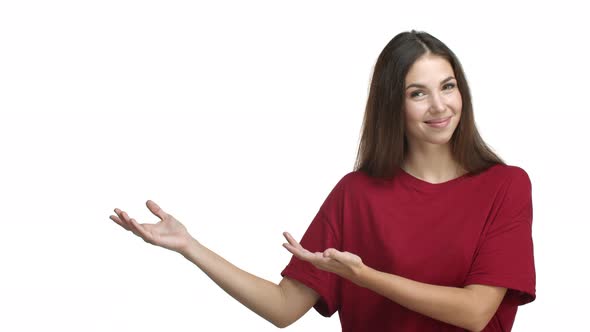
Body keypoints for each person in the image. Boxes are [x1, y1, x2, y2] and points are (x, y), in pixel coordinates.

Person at [109, 30, 536, 331]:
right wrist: (189, 246)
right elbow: (284, 308)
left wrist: (364, 276)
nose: (440, 105)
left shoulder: (505, 186)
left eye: (448, 86)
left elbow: (476, 312)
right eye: (417, 93)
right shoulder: (356, 195)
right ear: (393, 105)